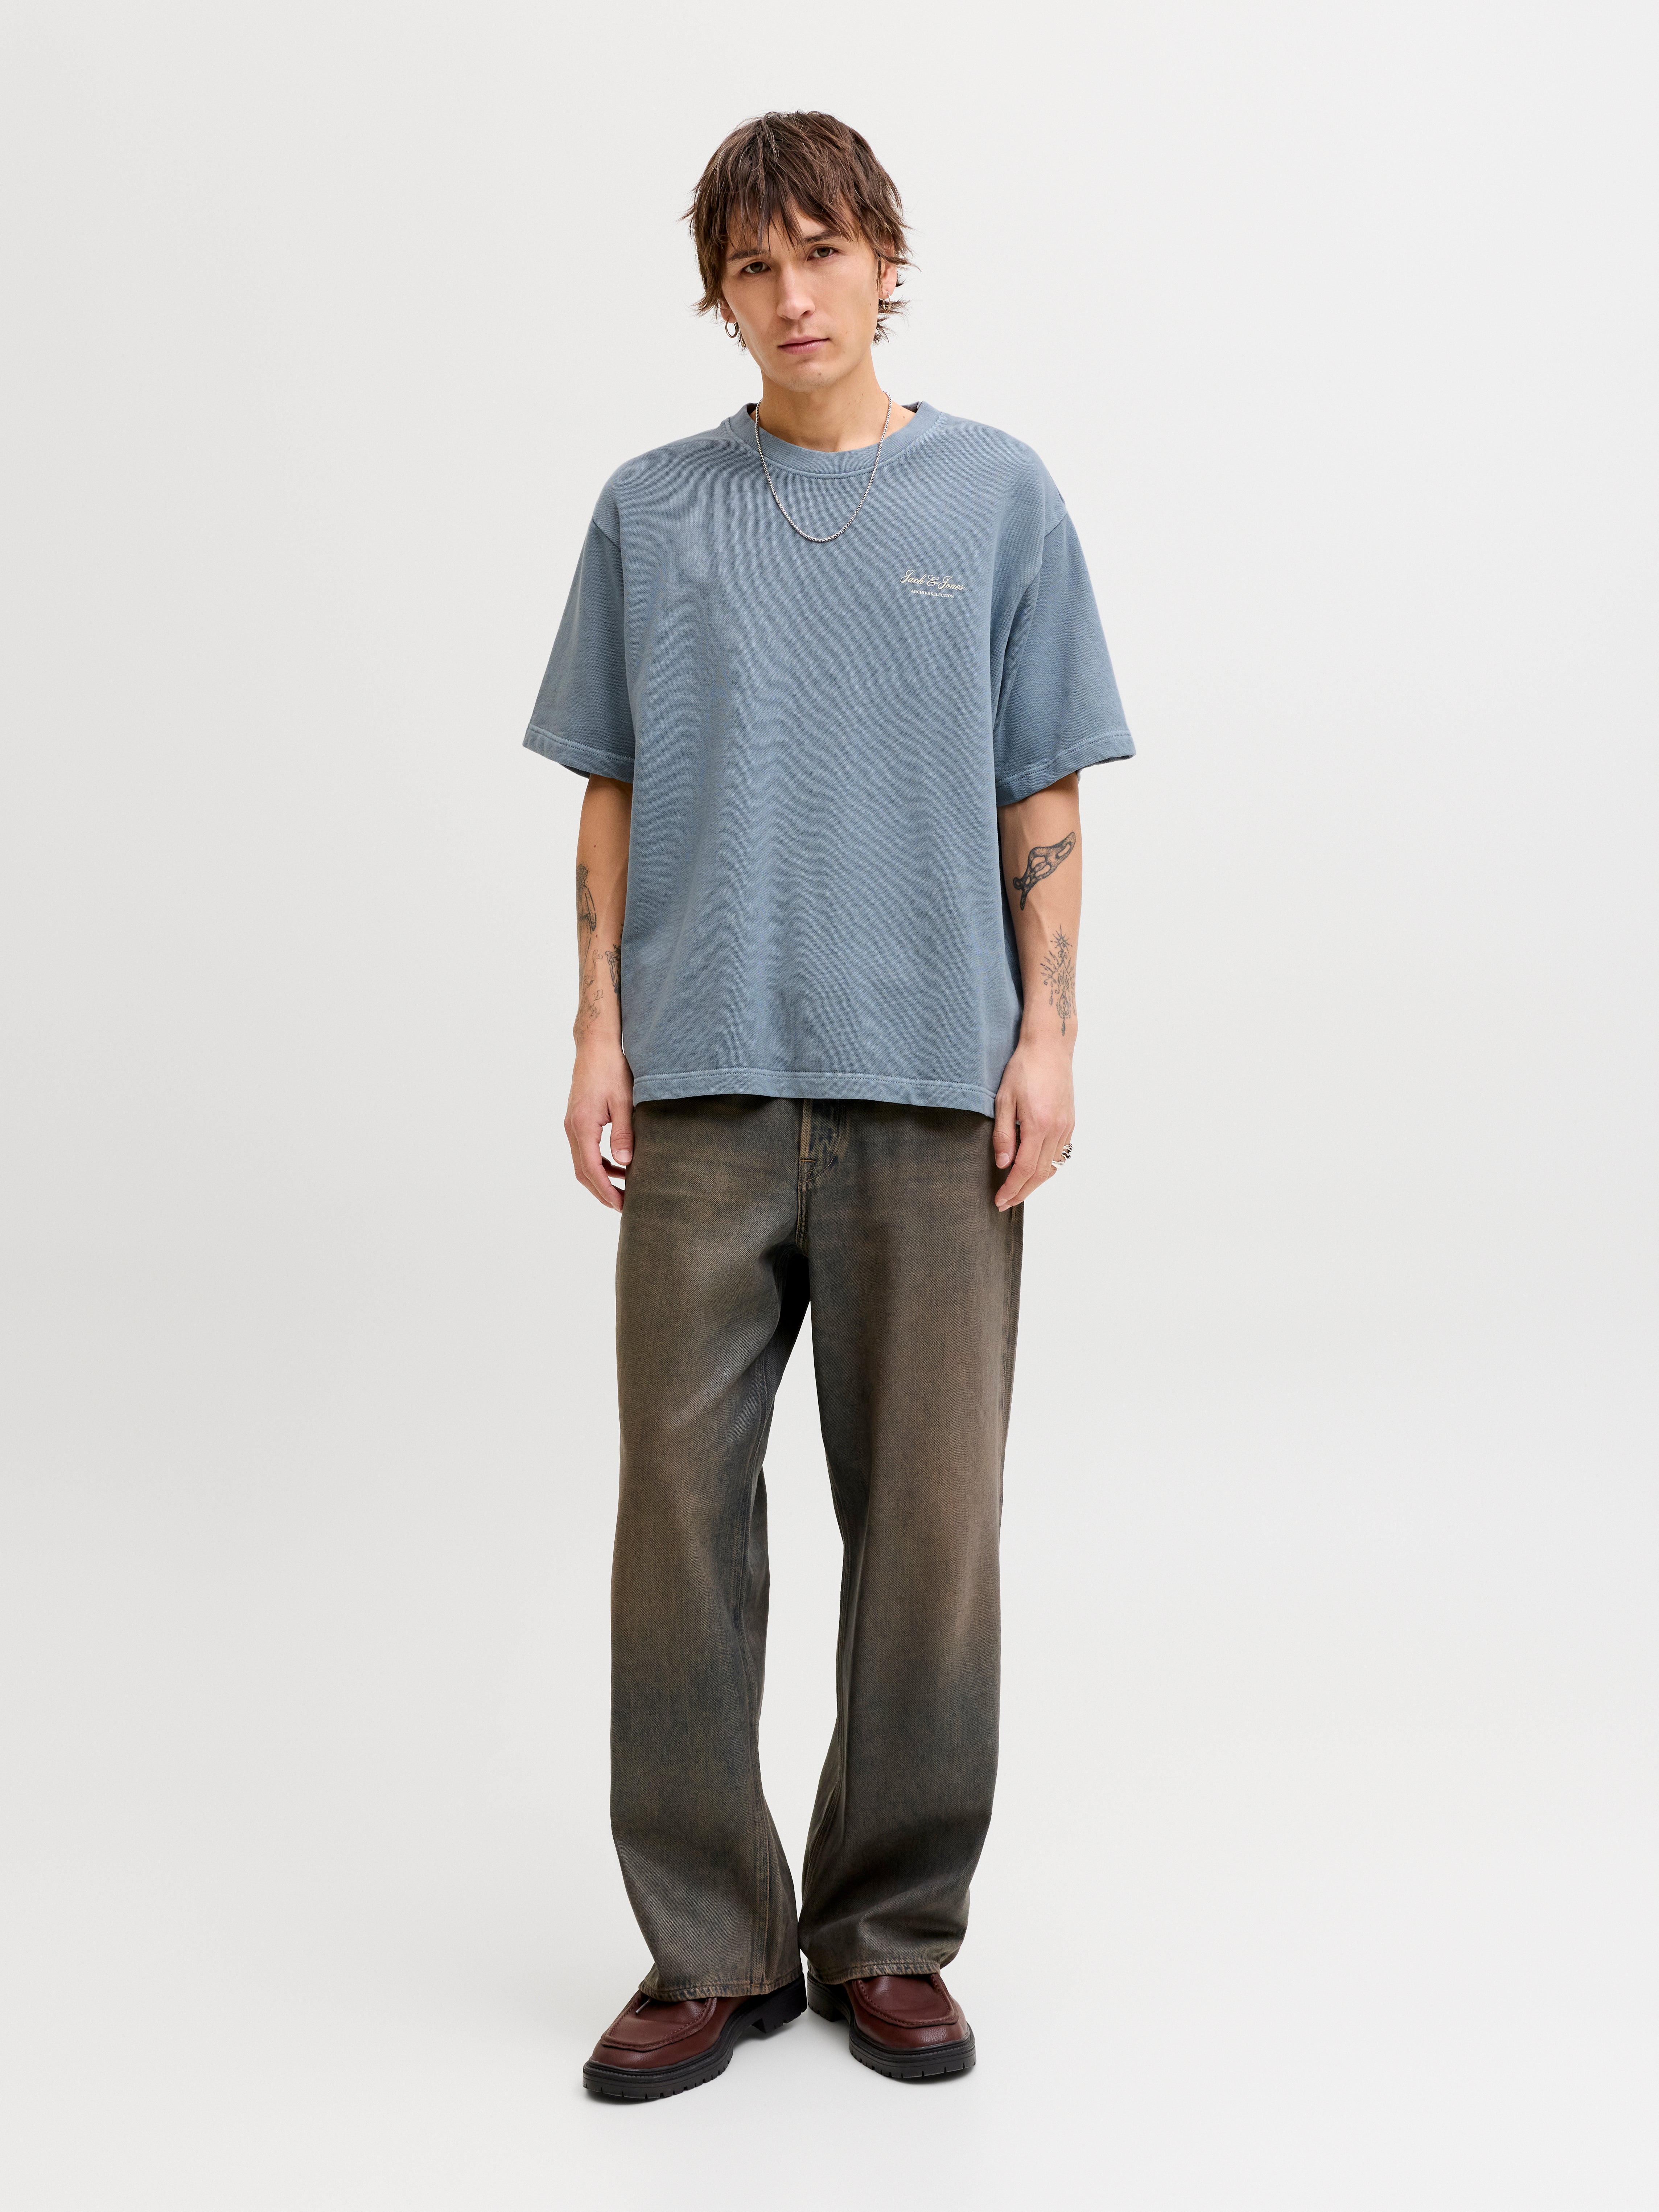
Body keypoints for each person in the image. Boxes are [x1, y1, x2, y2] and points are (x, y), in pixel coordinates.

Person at [524, 110, 1133, 2099]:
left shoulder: (1001, 494)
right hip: (703, 1085)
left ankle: (889, 1931)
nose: (794, 296)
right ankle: (708, 1943)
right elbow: (609, 783)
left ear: (885, 256)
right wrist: (597, 1030)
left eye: (823, 252)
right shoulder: (651, 509)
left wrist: (1050, 1037)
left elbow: (1043, 788)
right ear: (719, 294)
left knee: (932, 1528)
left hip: (932, 1095)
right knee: (676, 1528)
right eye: (753, 267)